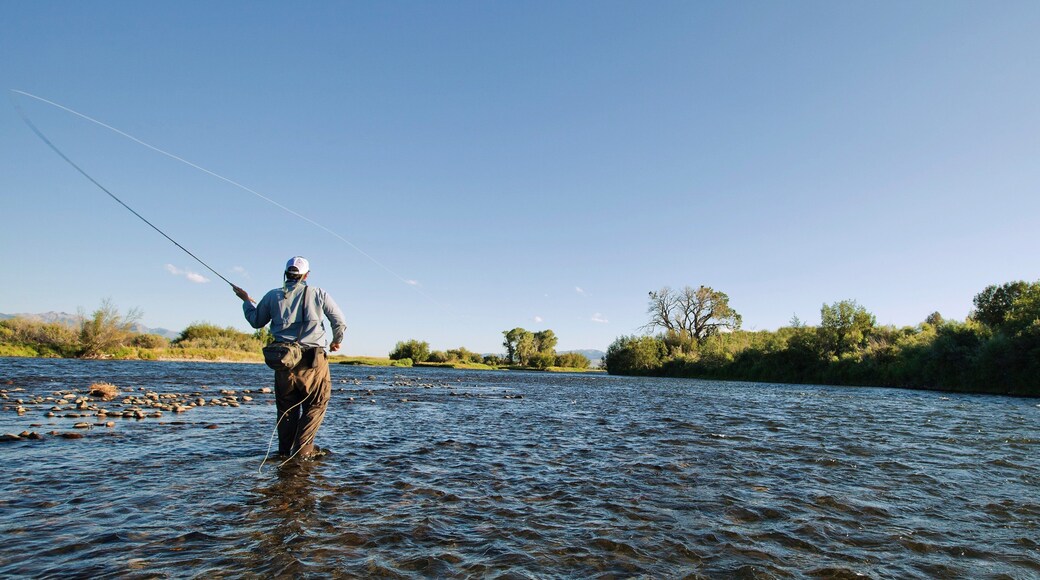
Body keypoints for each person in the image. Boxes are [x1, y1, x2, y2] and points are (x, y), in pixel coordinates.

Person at [233, 256, 347, 459]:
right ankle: (302, 451)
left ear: (286, 273)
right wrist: (336, 341)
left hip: (284, 362)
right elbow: (339, 321)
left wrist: (246, 302)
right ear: (306, 275)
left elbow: (256, 321)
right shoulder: (318, 293)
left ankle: (284, 453)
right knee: (316, 403)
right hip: (313, 360)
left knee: (286, 409)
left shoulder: (271, 296)